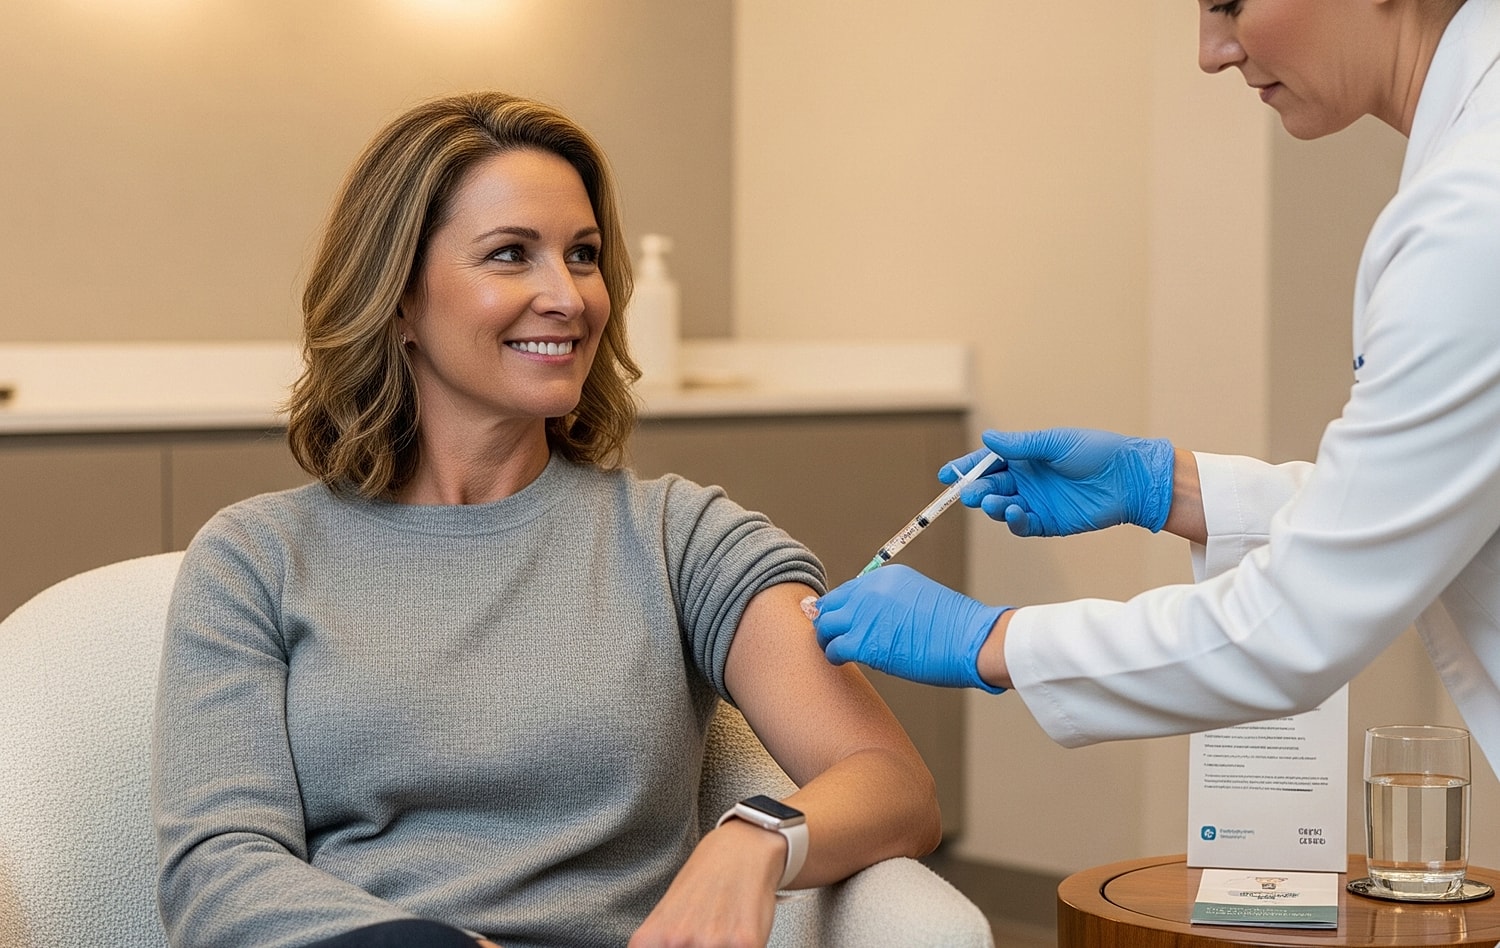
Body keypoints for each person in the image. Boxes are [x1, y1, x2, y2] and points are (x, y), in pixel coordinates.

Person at [151, 91, 939, 948]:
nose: (568, 296)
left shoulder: (682, 540)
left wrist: (753, 840)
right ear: (400, 297)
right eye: (511, 255)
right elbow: (217, 869)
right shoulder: (256, 557)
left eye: (584, 255)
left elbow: (891, 782)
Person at [812, 0, 1500, 771]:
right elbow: (1401, 506)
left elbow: (1298, 622)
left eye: (1231, 3)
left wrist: (995, 640)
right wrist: (1166, 486)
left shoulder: (1474, 214)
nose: (1211, 53)